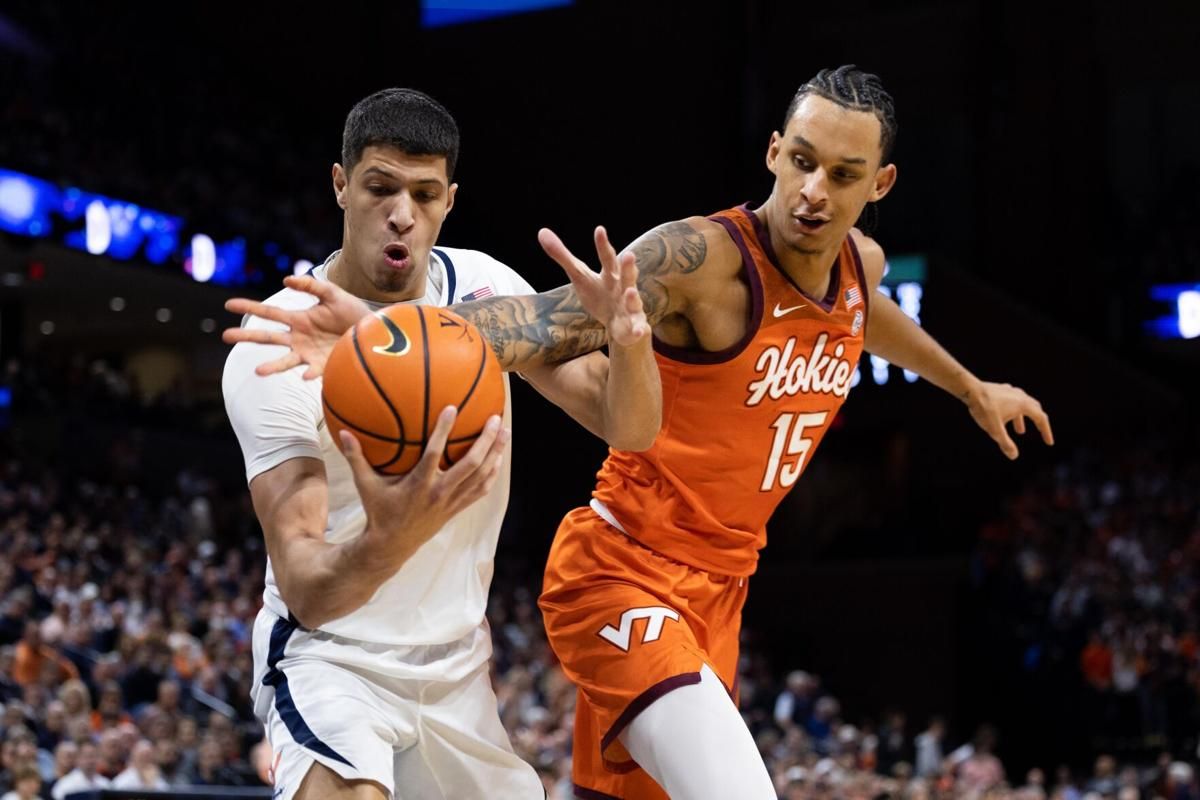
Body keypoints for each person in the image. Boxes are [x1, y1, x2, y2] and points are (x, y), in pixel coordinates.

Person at [227, 66, 1054, 800]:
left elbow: (859, 317)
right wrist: (384, 337)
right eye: (802, 161)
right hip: (620, 574)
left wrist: (969, 387)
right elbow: (539, 324)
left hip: (681, 602)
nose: (814, 191)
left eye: (842, 174)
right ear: (773, 152)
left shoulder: (856, 269)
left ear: (879, 183)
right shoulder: (700, 260)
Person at [221, 88, 659, 800]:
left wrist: (630, 340)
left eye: (424, 194)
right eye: (380, 188)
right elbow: (306, 588)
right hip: (332, 659)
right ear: (340, 184)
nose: (402, 213)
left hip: (458, 668)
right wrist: (393, 534)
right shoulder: (279, 342)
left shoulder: (485, 289)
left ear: (449, 200)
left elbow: (628, 426)